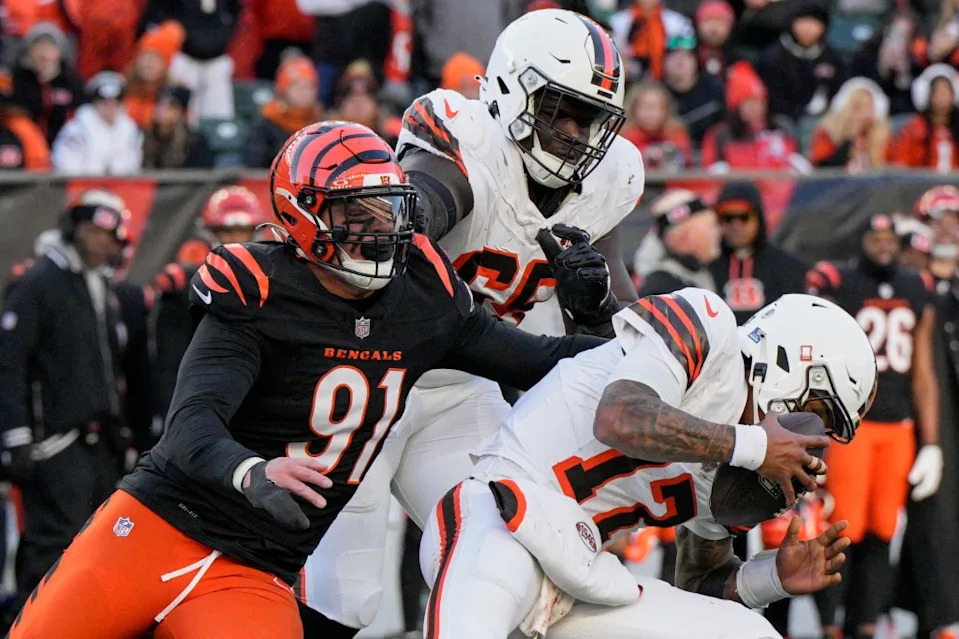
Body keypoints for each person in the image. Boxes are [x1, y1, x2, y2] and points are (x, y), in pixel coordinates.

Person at [8, 121, 609, 639]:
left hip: (255, 570)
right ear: (303, 215)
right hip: (156, 529)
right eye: (356, 213)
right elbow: (191, 424)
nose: (380, 230)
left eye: (388, 209)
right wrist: (253, 472)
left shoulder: (423, 296)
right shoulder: (259, 290)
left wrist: (594, 314)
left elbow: (542, 360)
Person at [302, 9, 645, 636]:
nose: (576, 135)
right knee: (344, 594)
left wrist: (596, 304)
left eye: (591, 119)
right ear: (513, 89)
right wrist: (412, 219)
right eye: (561, 111)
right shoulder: (467, 142)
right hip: (372, 378)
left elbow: (620, 342)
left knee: (498, 568)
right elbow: (419, 211)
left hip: (461, 389)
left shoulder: (608, 181)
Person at [420, 290, 878, 639]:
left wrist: (770, 578)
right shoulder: (709, 329)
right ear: (790, 362)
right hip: (504, 517)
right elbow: (619, 417)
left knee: (750, 634)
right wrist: (753, 445)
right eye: (818, 413)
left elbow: (699, 578)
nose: (811, 439)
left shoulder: (745, 469)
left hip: (579, 579)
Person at [806, 213, 941, 639]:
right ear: (861, 240)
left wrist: (931, 442)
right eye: (875, 237)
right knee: (842, 527)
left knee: (884, 529)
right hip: (854, 424)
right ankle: (830, 624)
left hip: (898, 426)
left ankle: (864, 624)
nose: (883, 244)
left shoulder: (916, 286)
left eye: (889, 237)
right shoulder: (839, 281)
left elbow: (923, 369)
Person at [0, 190, 133, 622]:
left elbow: (109, 367)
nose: (101, 241)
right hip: (55, 443)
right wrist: (16, 436)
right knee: (50, 548)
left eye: (108, 235)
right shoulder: (39, 282)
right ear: (73, 229)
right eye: (93, 230)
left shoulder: (99, 284)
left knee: (100, 547)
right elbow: (10, 363)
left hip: (99, 443)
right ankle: (28, 627)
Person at [708, 181, 808, 325]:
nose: (736, 226)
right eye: (727, 217)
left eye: (744, 217)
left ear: (758, 218)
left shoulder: (788, 267)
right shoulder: (707, 267)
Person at [755, 0, 846, 124]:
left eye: (815, 22)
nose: (808, 28)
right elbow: (773, 102)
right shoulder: (773, 57)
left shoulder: (831, 57)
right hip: (783, 122)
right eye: (803, 21)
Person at [51, 71, 143, 175]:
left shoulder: (131, 130)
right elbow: (66, 168)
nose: (110, 106)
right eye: (104, 101)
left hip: (123, 184)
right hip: (84, 183)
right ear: (94, 102)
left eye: (115, 101)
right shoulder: (76, 129)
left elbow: (134, 167)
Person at [244, 53, 323, 168]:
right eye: (297, 87)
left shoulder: (320, 121)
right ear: (284, 91)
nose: (304, 93)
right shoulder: (266, 123)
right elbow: (255, 162)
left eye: (308, 87)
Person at [636, 189, 721, 297]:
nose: (718, 232)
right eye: (710, 226)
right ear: (682, 237)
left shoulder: (707, 272)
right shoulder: (662, 292)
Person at [810, 77, 891, 172]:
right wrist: (849, 139)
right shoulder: (826, 133)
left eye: (869, 107)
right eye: (857, 108)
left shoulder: (879, 135)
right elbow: (822, 168)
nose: (865, 114)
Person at [889, 64, 959, 171]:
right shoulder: (914, 128)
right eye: (937, 93)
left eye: (946, 92)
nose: (942, 98)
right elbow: (900, 164)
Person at [620, 81, 692, 171]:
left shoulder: (676, 132)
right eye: (645, 107)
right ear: (633, 109)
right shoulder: (624, 135)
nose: (650, 114)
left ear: (666, 110)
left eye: (656, 107)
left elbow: (684, 162)